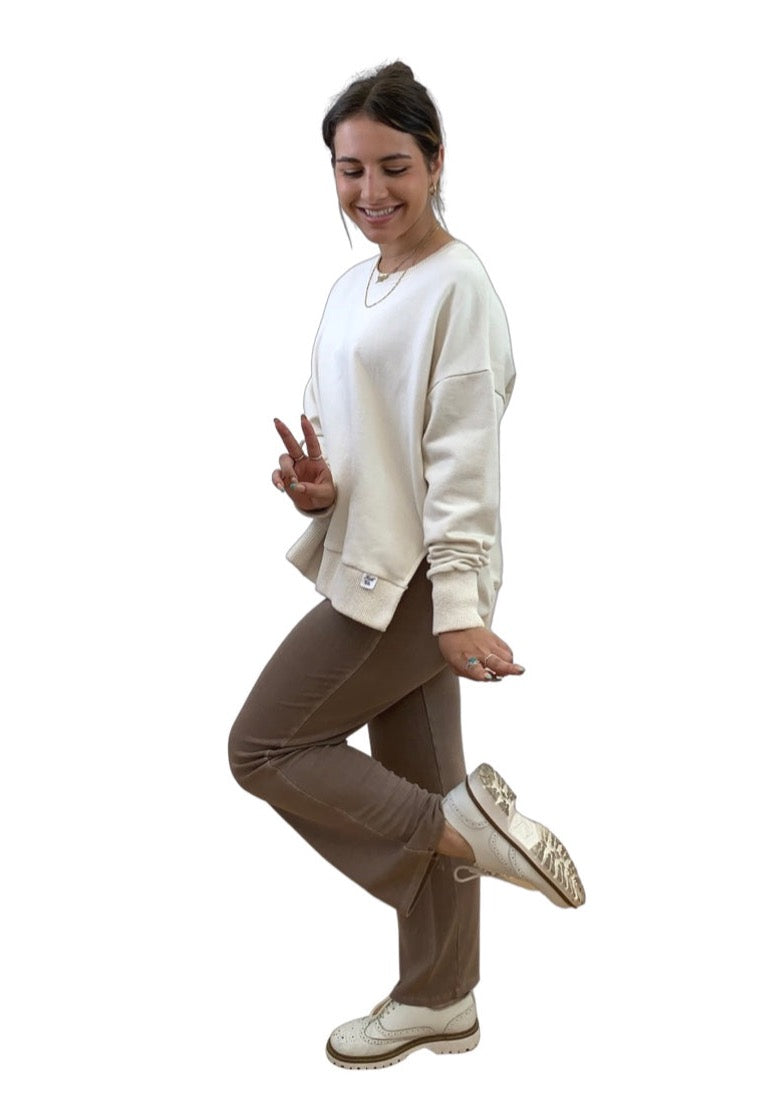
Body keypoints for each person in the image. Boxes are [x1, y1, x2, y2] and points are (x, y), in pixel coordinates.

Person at [228, 61, 585, 1070]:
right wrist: (320, 491)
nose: (370, 193)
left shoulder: (458, 285)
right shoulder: (352, 285)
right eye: (349, 172)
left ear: (435, 162)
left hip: (412, 579)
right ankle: (440, 997)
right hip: (365, 555)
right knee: (413, 774)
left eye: (393, 167)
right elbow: (365, 438)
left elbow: (460, 455)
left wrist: (459, 605)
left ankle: (462, 829)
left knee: (261, 747)